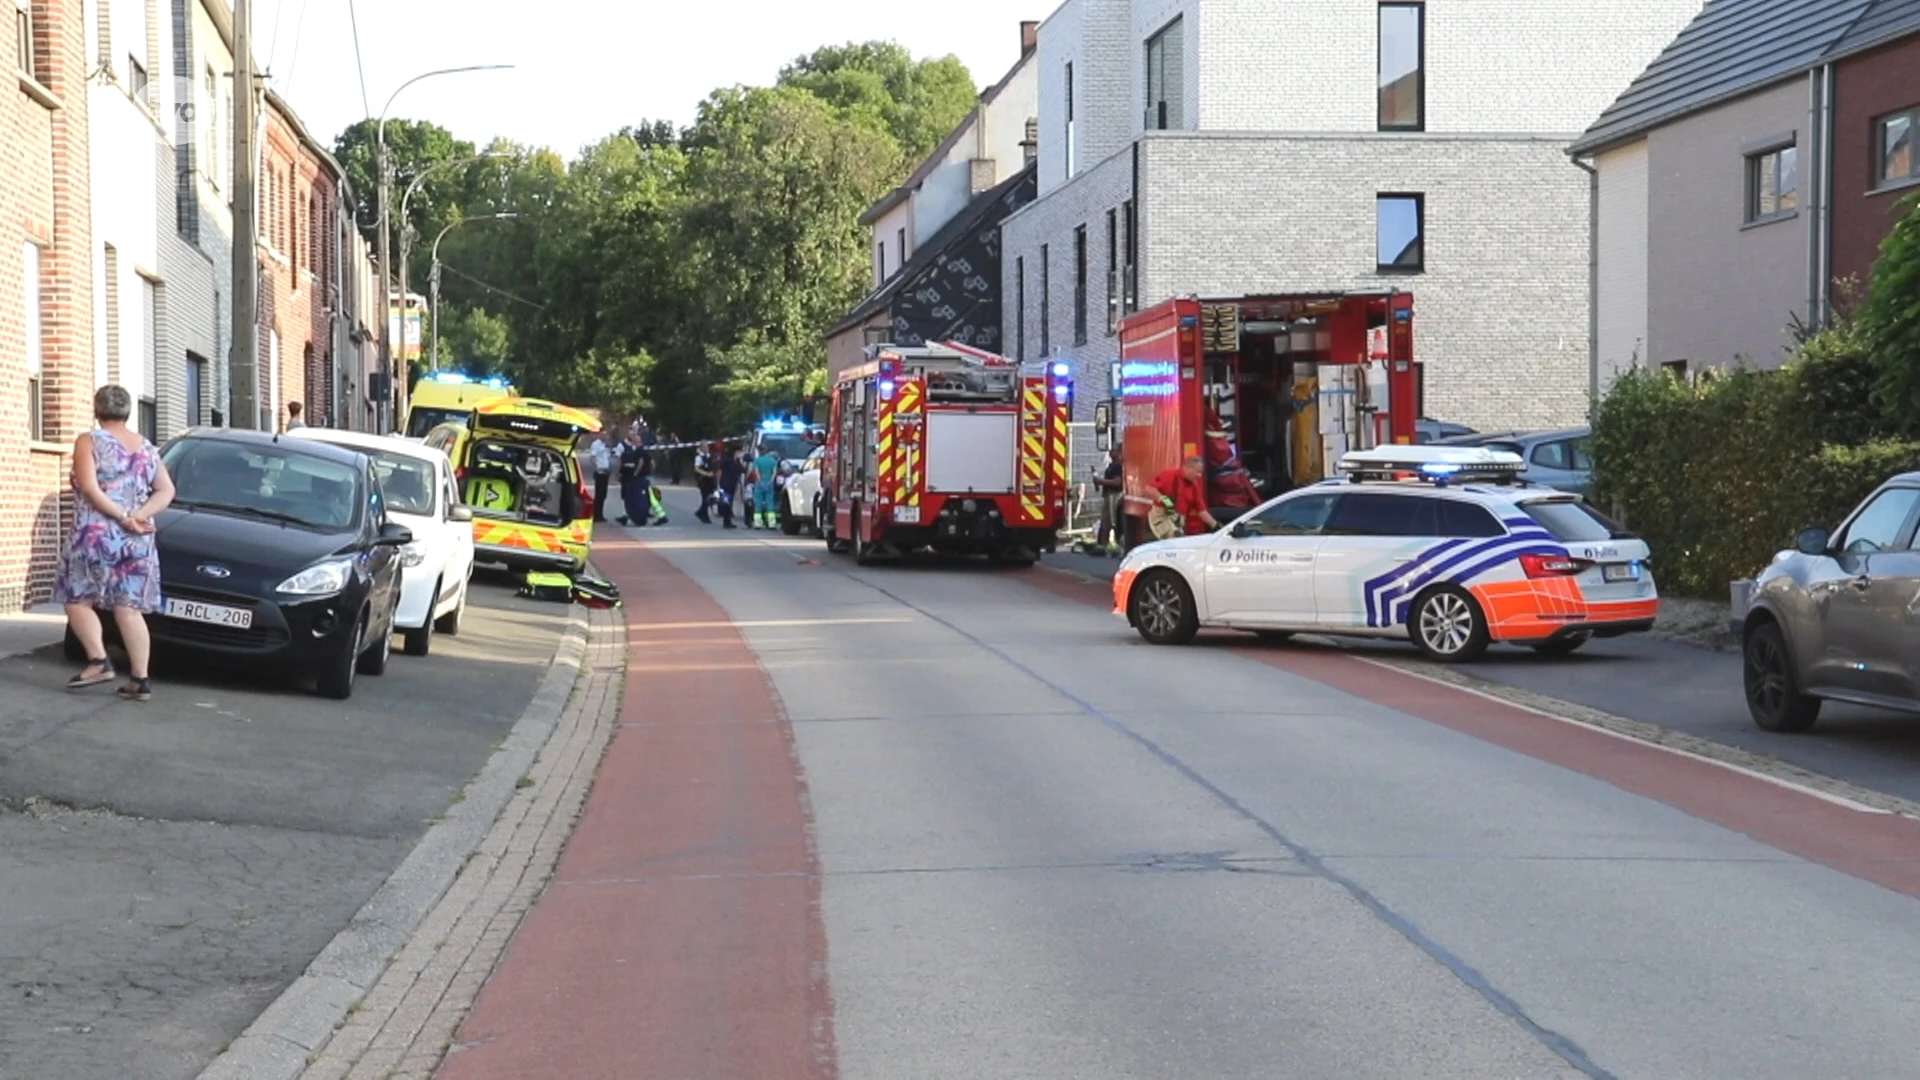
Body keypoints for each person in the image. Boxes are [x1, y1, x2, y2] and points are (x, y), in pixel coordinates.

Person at [56, 385, 175, 702]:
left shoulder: (90, 441)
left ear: (97, 410)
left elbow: (91, 490)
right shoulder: (148, 448)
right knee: (129, 609)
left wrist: (123, 515)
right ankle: (140, 679)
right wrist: (139, 514)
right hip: (136, 541)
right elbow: (166, 490)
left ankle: (98, 661)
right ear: (128, 412)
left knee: (77, 599)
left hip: (95, 535)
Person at [1148, 455, 1217, 538]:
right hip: (1162, 517)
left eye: (1201, 473)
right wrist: (1164, 500)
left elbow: (1202, 512)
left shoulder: (1193, 487)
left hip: (1178, 520)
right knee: (1174, 539)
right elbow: (1149, 488)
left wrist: (1215, 526)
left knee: (1179, 541)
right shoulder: (1169, 474)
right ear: (1188, 468)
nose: (1199, 476)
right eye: (1197, 472)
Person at [1093, 446, 1124, 552]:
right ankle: (1103, 544)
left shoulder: (1117, 466)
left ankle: (1115, 543)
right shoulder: (1112, 465)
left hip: (1114, 495)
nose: (1111, 452)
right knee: (1106, 520)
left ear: (1119, 452)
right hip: (1108, 495)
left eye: (1114, 450)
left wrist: (1100, 481)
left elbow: (1117, 482)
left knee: (1112, 520)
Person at [617, 431, 651, 526]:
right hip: (629, 474)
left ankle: (633, 516)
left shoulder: (638, 450)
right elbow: (619, 460)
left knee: (634, 497)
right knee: (631, 496)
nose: (632, 437)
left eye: (634, 436)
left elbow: (641, 462)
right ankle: (629, 516)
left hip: (635, 477)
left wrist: (636, 473)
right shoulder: (624, 446)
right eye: (631, 435)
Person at [749, 444, 781, 529]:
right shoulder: (773, 461)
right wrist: (770, 481)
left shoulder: (757, 461)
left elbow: (757, 472)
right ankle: (772, 523)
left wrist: (760, 481)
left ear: (759, 451)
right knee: (770, 503)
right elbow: (774, 472)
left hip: (759, 484)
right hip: (770, 483)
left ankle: (758, 523)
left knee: (758, 503)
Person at [715, 445, 744, 529]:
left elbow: (742, 470)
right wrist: (718, 484)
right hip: (725, 484)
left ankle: (728, 521)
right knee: (726, 502)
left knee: (730, 502)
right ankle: (726, 521)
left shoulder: (737, 461)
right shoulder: (726, 459)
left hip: (733, 484)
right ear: (735, 452)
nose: (740, 454)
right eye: (739, 452)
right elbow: (720, 471)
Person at [587, 428, 613, 523]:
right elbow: (592, 457)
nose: (605, 436)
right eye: (603, 434)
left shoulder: (606, 445)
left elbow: (608, 457)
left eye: (606, 435)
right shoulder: (596, 444)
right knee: (599, 494)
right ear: (599, 435)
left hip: (606, 471)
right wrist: (597, 468)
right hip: (600, 472)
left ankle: (600, 514)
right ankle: (596, 515)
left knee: (603, 494)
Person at [693, 442, 717, 524]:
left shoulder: (709, 456)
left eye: (707, 446)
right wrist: (706, 473)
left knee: (709, 497)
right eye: (705, 447)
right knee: (705, 498)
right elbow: (696, 469)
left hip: (710, 480)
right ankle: (704, 515)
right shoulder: (699, 457)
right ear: (702, 448)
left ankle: (700, 512)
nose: (707, 448)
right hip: (703, 480)